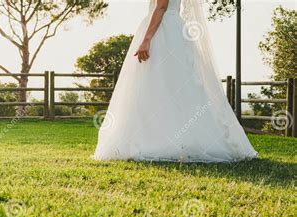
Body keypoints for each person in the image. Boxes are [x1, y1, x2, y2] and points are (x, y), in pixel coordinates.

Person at [94, 0, 257, 163]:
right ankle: (168, 137)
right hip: (171, 30)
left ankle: (158, 140)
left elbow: (161, 7)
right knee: (168, 87)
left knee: (156, 86)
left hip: (162, 32)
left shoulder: (159, 26)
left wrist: (147, 39)